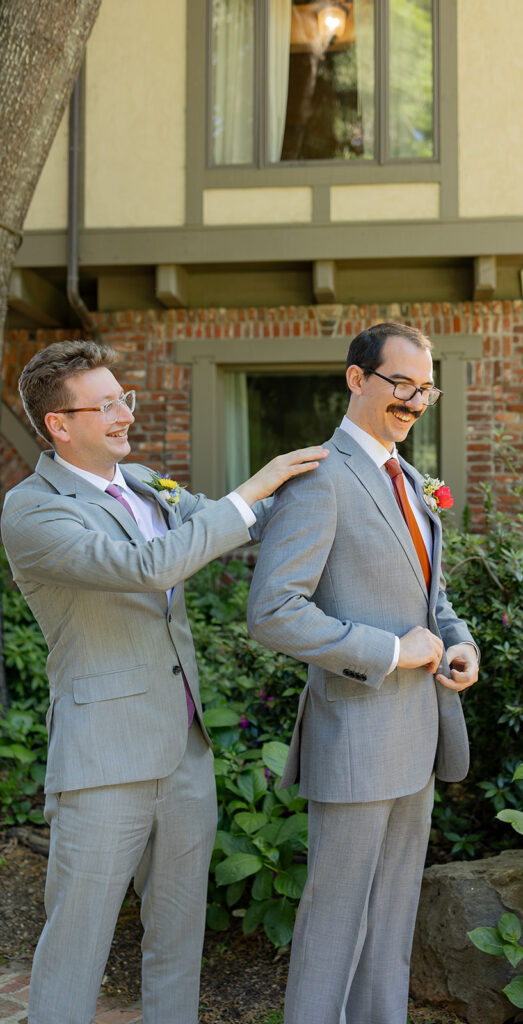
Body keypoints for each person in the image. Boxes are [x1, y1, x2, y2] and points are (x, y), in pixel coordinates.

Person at [0, 339, 327, 1024]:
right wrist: (252, 486)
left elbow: (236, 524)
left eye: (126, 398)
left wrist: (340, 484)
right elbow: (150, 566)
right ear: (59, 425)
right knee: (76, 948)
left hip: (185, 751)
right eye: (109, 404)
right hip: (102, 761)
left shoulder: (147, 481)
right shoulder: (32, 511)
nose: (125, 413)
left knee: (179, 943)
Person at [247, 321, 480, 1024]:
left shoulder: (408, 478)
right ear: (356, 379)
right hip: (354, 737)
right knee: (334, 926)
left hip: (418, 734)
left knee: (391, 923)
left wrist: (456, 642)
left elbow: (427, 597)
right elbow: (272, 612)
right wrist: (388, 652)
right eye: (399, 384)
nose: (412, 400)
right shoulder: (319, 477)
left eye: (423, 388)